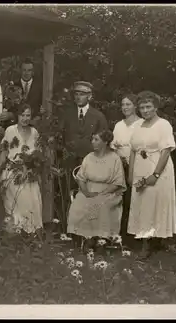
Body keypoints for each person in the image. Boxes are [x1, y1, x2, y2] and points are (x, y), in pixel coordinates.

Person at [128, 90, 176, 258]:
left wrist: (155, 175)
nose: (145, 110)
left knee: (157, 204)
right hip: (140, 168)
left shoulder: (163, 125)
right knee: (142, 205)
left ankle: (153, 243)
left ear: (155, 107)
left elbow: (166, 151)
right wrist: (131, 173)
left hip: (159, 168)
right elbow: (133, 151)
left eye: (148, 106)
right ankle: (146, 241)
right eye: (142, 107)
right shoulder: (136, 126)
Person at [56, 81, 109, 228]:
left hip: (91, 163)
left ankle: (90, 231)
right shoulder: (67, 114)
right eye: (76, 94)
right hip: (70, 161)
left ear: (90, 96)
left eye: (83, 94)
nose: (79, 97)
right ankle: (70, 229)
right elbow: (59, 136)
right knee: (70, 194)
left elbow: (104, 142)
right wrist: (63, 152)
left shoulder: (98, 116)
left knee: (90, 195)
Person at [67, 130, 126, 250]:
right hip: (89, 190)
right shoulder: (89, 157)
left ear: (105, 142)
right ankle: (88, 237)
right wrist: (86, 192)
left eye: (96, 139)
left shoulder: (114, 158)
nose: (92, 142)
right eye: (92, 139)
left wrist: (101, 193)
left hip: (109, 192)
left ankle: (100, 239)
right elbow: (81, 178)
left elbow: (118, 182)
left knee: (100, 204)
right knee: (80, 204)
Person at [0, 103, 43, 234]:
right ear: (17, 116)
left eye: (28, 115)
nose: (25, 118)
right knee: (15, 205)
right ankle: (15, 234)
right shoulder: (10, 130)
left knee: (32, 203)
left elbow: (38, 155)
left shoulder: (34, 132)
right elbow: (4, 152)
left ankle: (31, 235)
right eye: (22, 115)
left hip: (29, 173)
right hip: (13, 172)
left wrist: (31, 168)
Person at [111, 93, 144, 237]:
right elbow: (111, 144)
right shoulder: (119, 125)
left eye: (128, 104)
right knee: (119, 199)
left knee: (135, 199)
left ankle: (136, 234)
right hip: (119, 166)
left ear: (135, 106)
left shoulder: (141, 123)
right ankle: (120, 234)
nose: (125, 107)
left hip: (136, 165)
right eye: (123, 104)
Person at [13, 58, 43, 123]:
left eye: (29, 70)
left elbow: (43, 106)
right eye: (24, 70)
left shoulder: (40, 87)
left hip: (34, 123)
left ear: (33, 72)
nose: (26, 73)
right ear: (20, 70)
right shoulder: (13, 86)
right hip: (17, 123)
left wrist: (39, 116)